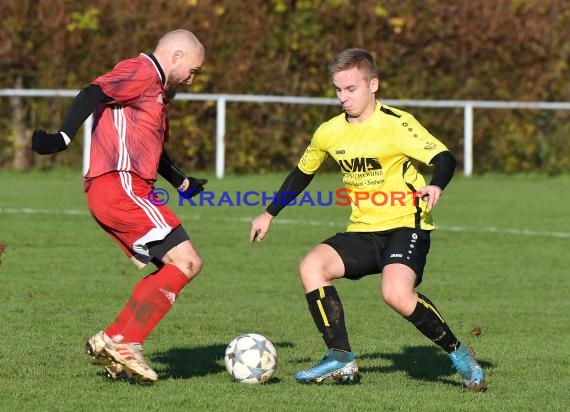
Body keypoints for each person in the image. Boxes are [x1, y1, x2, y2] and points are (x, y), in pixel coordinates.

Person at [250, 48, 486, 391]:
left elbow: (444, 157)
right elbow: (302, 173)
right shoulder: (329, 132)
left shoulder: (397, 124)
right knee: (311, 266)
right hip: (363, 230)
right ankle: (340, 357)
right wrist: (269, 213)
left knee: (395, 294)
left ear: (373, 85)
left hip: (407, 224)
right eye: (338, 90)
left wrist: (436, 184)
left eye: (351, 89)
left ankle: (460, 354)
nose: (343, 98)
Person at [31, 29, 208, 383]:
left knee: (173, 264)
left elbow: (153, 150)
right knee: (187, 261)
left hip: (118, 190)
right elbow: (92, 92)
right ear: (175, 55)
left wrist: (182, 183)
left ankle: (112, 337)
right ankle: (128, 341)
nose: (192, 79)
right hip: (121, 184)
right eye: (193, 70)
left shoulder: (155, 91)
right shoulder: (142, 70)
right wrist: (63, 138)